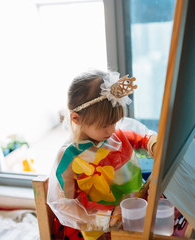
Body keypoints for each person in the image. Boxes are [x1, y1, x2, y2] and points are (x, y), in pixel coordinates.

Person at [47, 69, 157, 240]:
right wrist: (107, 216)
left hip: (134, 210)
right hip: (98, 226)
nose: (113, 130)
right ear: (76, 119)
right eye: (105, 125)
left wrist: (153, 144)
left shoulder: (113, 135)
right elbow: (67, 206)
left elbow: (141, 139)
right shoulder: (69, 157)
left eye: (115, 122)